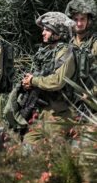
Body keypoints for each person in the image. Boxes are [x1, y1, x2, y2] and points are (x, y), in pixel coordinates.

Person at [20, 12, 76, 145]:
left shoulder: (66, 53)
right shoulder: (46, 53)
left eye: (47, 30)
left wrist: (34, 81)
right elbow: (38, 75)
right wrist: (27, 83)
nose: (43, 33)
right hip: (43, 112)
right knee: (28, 144)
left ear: (58, 33)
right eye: (43, 29)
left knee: (53, 152)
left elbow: (57, 81)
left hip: (60, 115)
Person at [65, 0, 97, 99]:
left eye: (82, 19)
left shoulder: (94, 42)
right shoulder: (69, 43)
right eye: (75, 19)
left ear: (89, 20)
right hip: (72, 97)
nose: (79, 23)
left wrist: (92, 92)